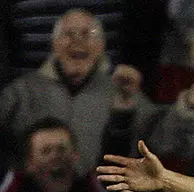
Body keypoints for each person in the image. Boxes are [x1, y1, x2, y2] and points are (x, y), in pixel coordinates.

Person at [0, 9, 157, 175]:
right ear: (54, 45)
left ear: (101, 45)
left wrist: (187, 105)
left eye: (87, 34)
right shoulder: (22, 90)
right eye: (68, 34)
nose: (77, 41)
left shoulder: (123, 92)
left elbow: (164, 140)